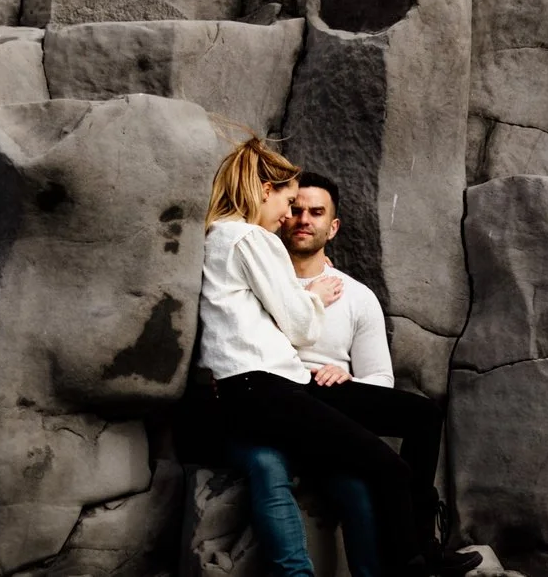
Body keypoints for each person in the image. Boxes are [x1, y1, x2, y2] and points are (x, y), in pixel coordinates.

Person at [196, 137, 472, 577]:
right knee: (387, 467)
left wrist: (340, 371)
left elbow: (234, 322)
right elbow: (298, 325)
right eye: (289, 203)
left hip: (281, 387)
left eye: (309, 211)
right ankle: (412, 563)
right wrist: (316, 299)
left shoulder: (222, 238)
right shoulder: (252, 238)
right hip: (267, 388)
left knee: (421, 416)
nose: (290, 217)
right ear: (265, 191)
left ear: (334, 226)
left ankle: (424, 551)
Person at [225, 172, 394, 577]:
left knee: (355, 487)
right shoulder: (250, 283)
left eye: (316, 213)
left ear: (332, 227)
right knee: (267, 466)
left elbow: (383, 382)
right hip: (263, 423)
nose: (303, 219)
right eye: (296, 209)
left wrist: (349, 381)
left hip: (327, 424)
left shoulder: (357, 297)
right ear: (280, 214)